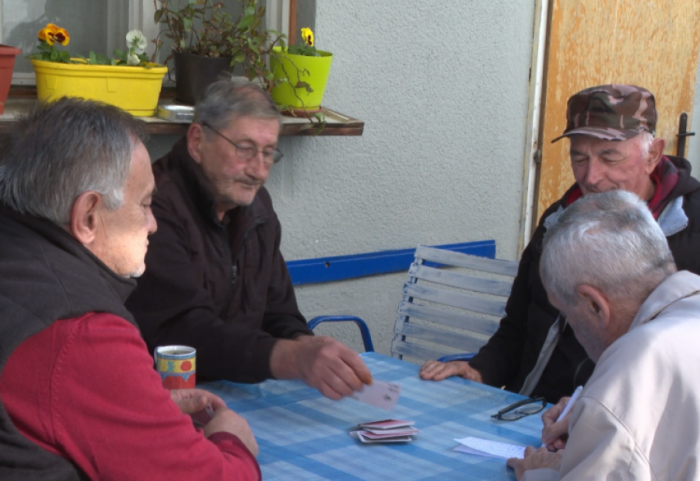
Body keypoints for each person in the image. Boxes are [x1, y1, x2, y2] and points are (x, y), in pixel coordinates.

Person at [0, 98, 260, 480]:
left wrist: (140, 408)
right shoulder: (79, 330)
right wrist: (232, 442)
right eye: (145, 204)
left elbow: (51, 403)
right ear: (88, 216)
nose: (153, 224)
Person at [420, 84, 700, 403]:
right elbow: (519, 326)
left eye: (609, 156)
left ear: (653, 154)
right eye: (579, 157)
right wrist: (479, 370)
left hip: (631, 427)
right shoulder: (559, 220)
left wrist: (594, 413)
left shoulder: (693, 226)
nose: (591, 176)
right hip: (530, 408)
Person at [125, 77, 372, 400]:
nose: (258, 170)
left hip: (241, 394)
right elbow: (182, 332)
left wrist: (307, 343)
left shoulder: (257, 207)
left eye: (268, 153)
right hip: (166, 399)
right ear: (197, 141)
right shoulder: (155, 205)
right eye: (245, 149)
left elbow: (278, 312)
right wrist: (291, 358)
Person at [506, 189, 700, 480]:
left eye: (567, 314)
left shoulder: (638, 358)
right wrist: (595, 423)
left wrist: (539, 474)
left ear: (595, 305)